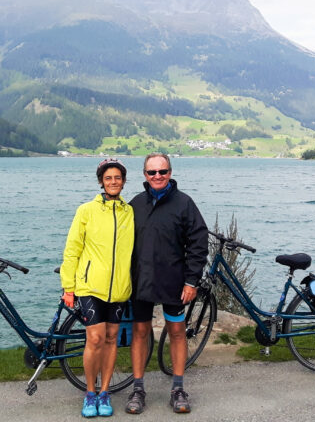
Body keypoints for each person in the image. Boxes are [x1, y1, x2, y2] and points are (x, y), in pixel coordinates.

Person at [126, 153, 208, 415]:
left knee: (176, 332)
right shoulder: (135, 204)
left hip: (174, 281)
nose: (158, 176)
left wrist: (191, 280)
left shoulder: (184, 204)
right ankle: (138, 388)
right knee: (140, 333)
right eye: (152, 172)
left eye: (162, 171)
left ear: (170, 173)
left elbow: (198, 242)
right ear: (145, 175)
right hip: (140, 281)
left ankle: (178, 388)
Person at [61, 158, 135, 418]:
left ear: (124, 181)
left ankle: (105, 393)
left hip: (119, 289)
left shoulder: (130, 212)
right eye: (108, 178)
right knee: (94, 339)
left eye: (117, 178)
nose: (113, 182)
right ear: (101, 182)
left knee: (111, 339)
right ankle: (89, 393)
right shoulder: (86, 211)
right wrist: (68, 286)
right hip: (90, 287)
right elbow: (72, 250)